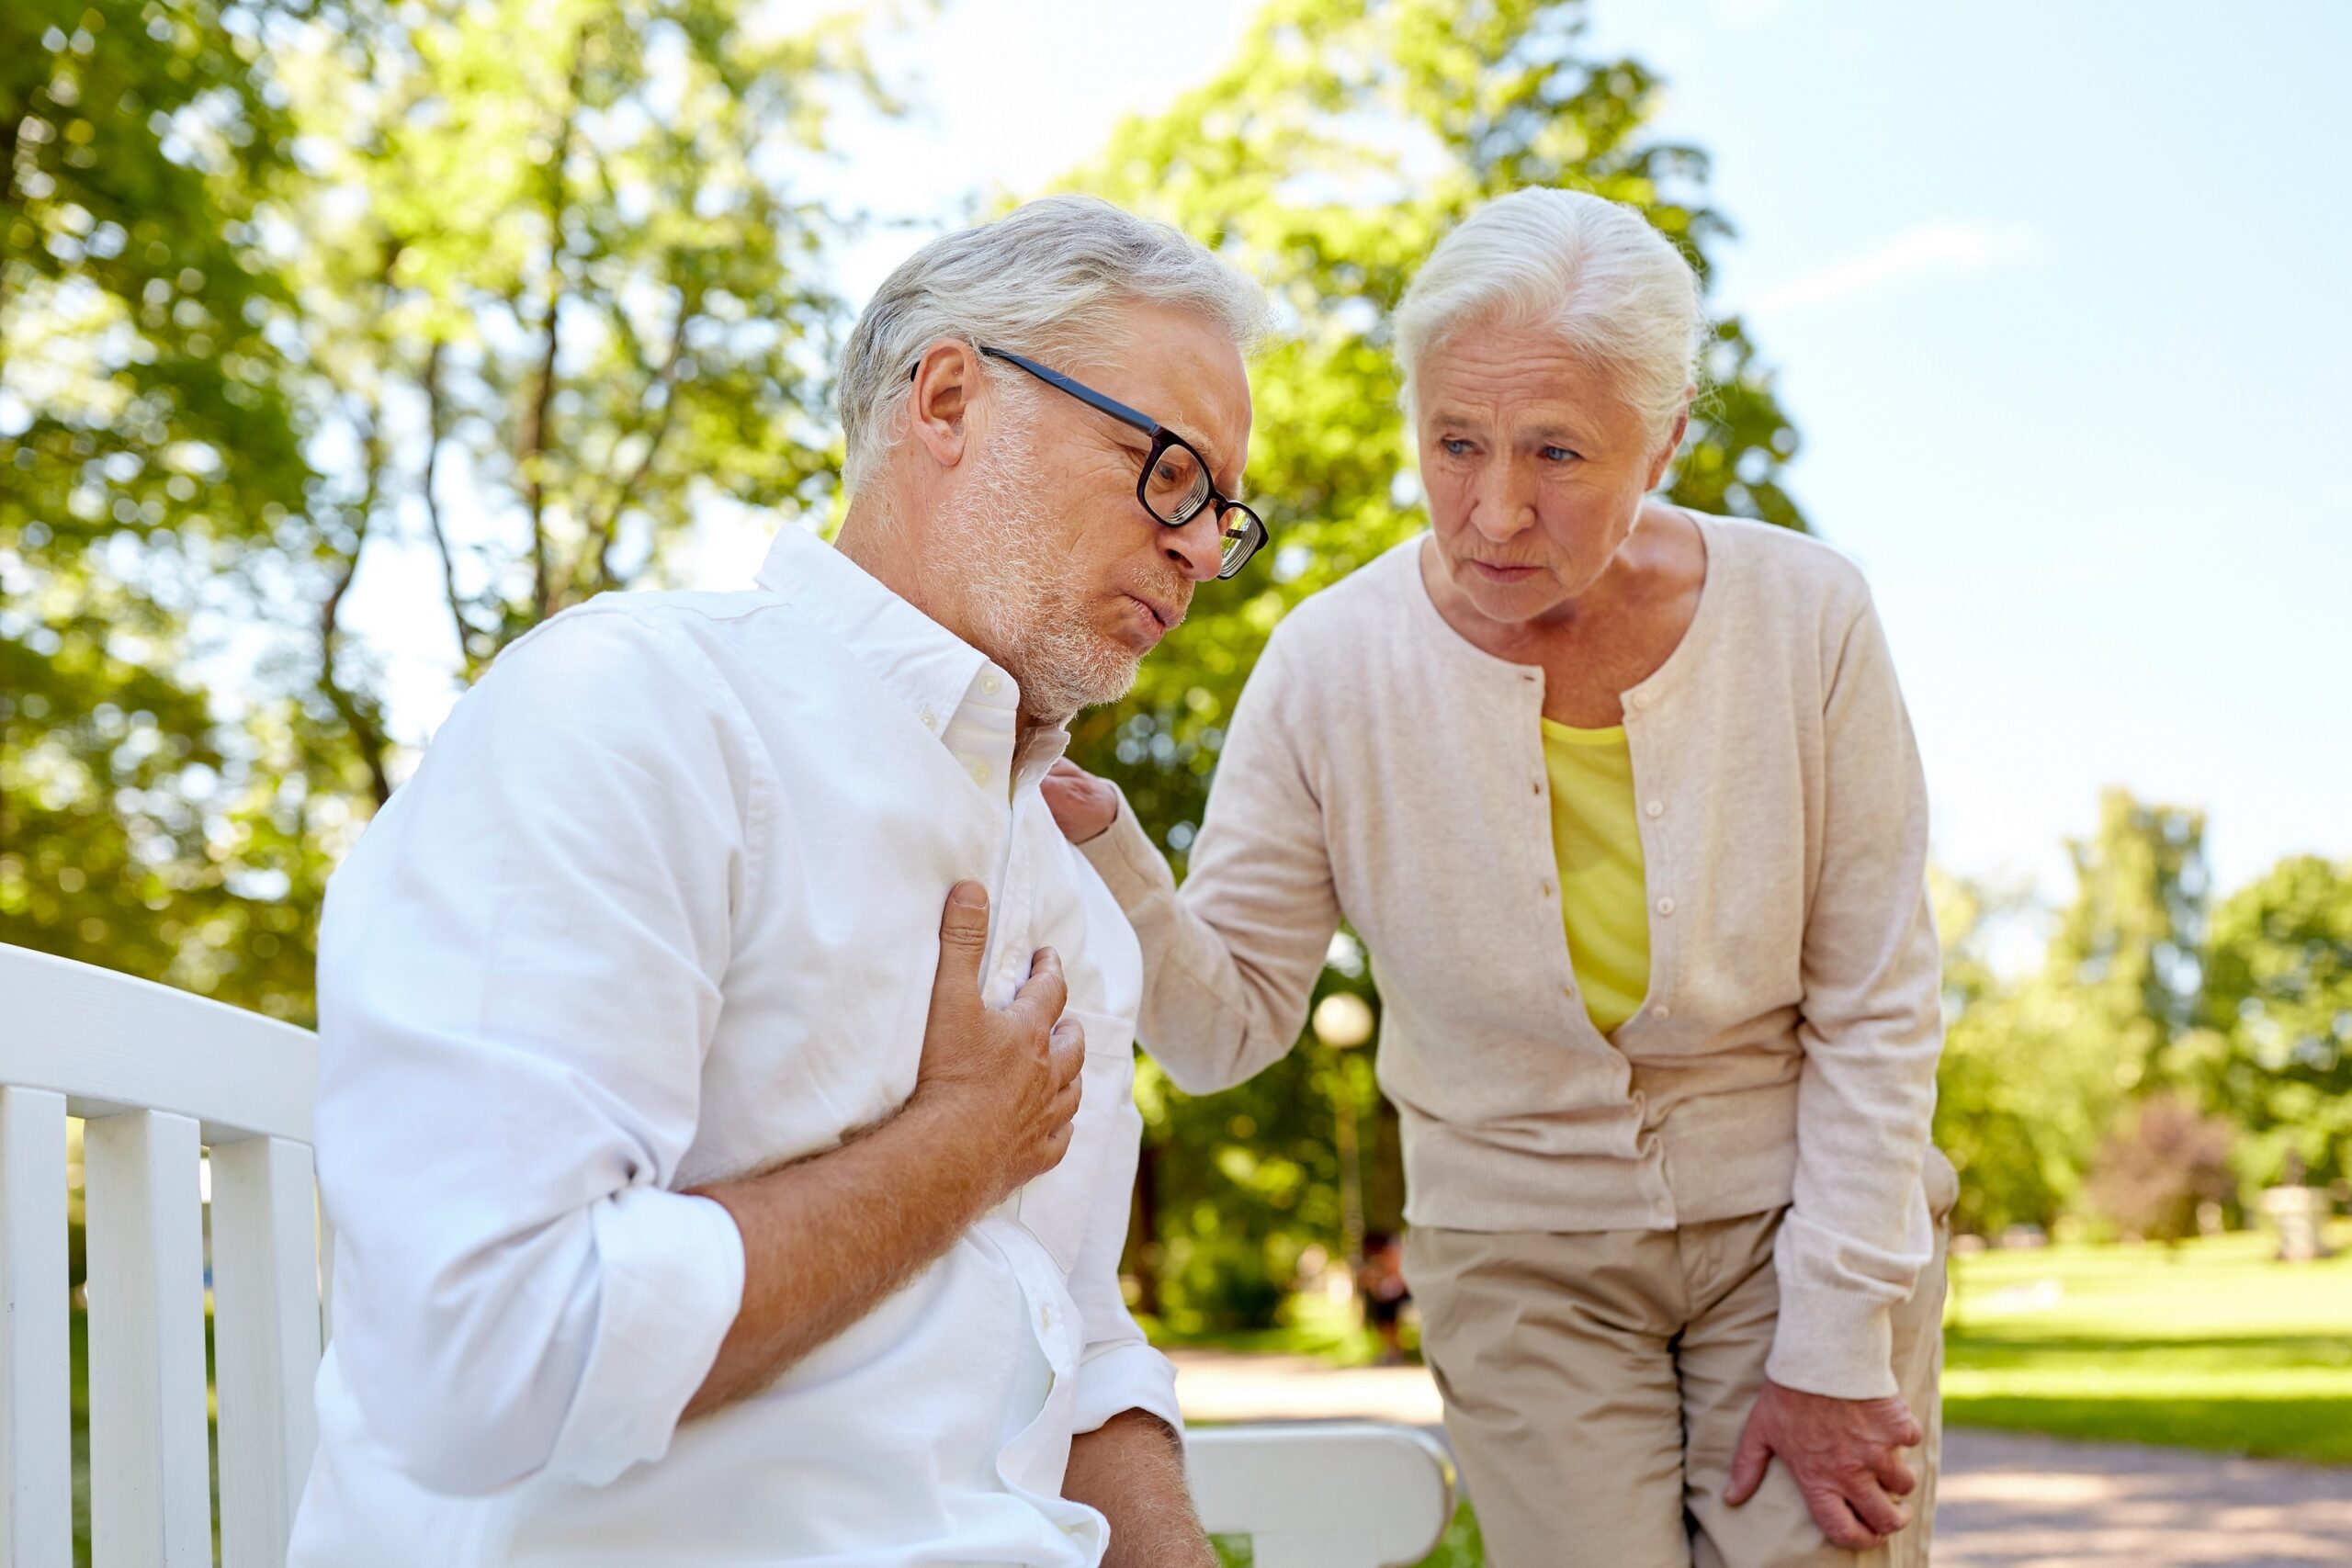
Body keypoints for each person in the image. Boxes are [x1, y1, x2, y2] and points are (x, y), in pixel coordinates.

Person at [288, 195, 1270, 1568]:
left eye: (1226, 514)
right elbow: (486, 1351)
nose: (1195, 544)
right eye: (1168, 469)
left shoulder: (1068, 889)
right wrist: (950, 1154)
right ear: (947, 401)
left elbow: (1071, 1329)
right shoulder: (636, 706)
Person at [1043, 187, 1958, 1568]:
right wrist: (1106, 845)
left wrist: (1837, 1344)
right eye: (1455, 443)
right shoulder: (1328, 665)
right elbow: (1221, 1031)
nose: (1494, 510)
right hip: (1517, 1253)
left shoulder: (1808, 617)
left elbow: (1878, 1008)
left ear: (1665, 442)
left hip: (1802, 1225)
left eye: (1559, 452)